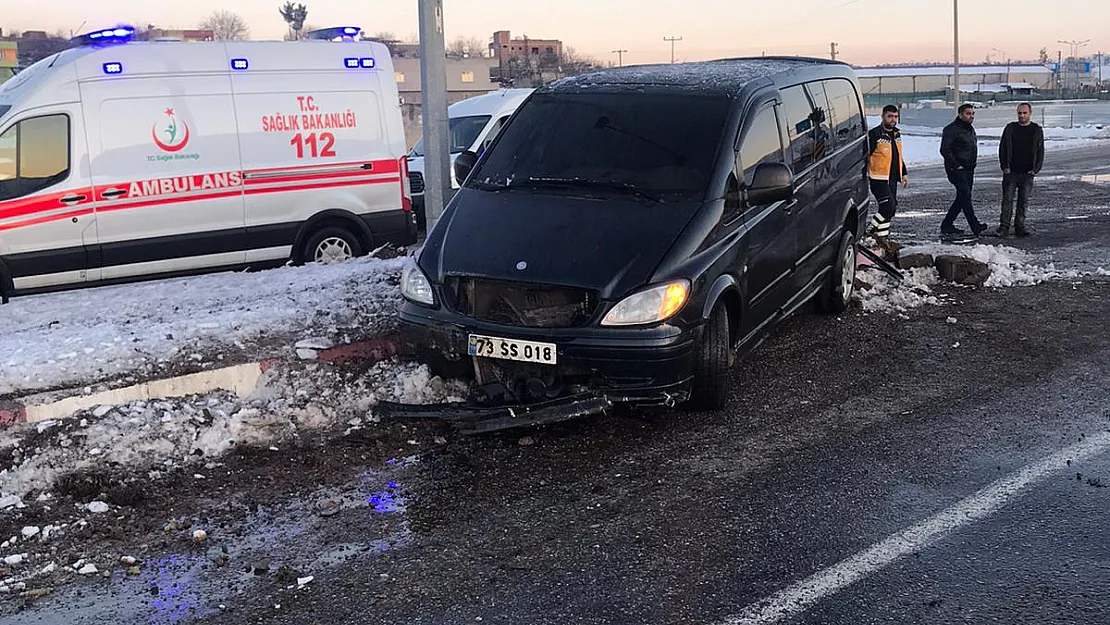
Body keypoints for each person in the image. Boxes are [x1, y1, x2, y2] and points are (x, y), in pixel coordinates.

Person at [939, 104, 988, 237]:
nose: (971, 116)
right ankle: (975, 226)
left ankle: (947, 224)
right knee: (965, 195)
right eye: (968, 113)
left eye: (972, 114)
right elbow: (945, 149)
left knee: (962, 197)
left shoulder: (969, 129)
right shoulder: (951, 129)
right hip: (956, 169)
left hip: (969, 168)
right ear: (960, 114)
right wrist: (955, 165)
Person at [997, 103, 1045, 237]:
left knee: (1023, 201)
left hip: (1028, 172)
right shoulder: (1010, 128)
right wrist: (1005, 167)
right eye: (1019, 113)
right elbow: (1002, 148)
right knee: (1007, 199)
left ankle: (1020, 226)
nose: (1022, 116)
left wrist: (1036, 169)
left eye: (1024, 113)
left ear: (1030, 113)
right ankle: (1004, 226)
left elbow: (1040, 150)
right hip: (1011, 172)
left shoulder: (1036, 130)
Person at [866, 104, 909, 250]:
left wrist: (903, 173)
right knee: (887, 206)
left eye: (895, 116)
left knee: (891, 209)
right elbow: (866, 155)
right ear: (883, 116)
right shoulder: (875, 134)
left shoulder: (897, 134)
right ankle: (870, 230)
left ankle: (882, 238)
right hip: (878, 177)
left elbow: (898, 156)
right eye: (890, 116)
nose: (893, 119)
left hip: (892, 177)